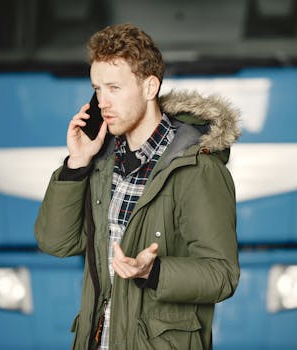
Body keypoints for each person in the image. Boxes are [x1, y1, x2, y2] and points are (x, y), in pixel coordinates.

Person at [34, 23, 240, 350]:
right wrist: (77, 165)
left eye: (114, 88)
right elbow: (56, 242)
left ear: (149, 87)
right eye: (97, 89)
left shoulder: (196, 168)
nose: (102, 102)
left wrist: (153, 272)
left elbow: (222, 274)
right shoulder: (100, 163)